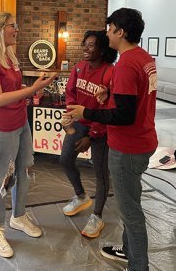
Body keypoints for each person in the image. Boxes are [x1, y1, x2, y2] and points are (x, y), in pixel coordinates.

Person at [63, 8, 158, 271]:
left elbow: (124, 115)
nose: (107, 33)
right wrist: (111, 93)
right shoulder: (143, 58)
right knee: (131, 201)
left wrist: (87, 112)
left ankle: (138, 266)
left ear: (121, 32)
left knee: (131, 212)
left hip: (128, 145)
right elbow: (134, 101)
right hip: (143, 140)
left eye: (110, 28)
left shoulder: (126, 64)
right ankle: (128, 251)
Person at [0, 12, 57, 258]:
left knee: (24, 171)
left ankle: (18, 216)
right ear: (1, 29)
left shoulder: (9, 56)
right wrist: (32, 89)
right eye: (14, 26)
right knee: (0, 179)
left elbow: (11, 89)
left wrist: (32, 89)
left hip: (20, 123)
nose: (17, 30)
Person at [60, 30, 117, 238]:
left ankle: (97, 216)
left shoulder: (110, 73)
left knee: (101, 173)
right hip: (81, 123)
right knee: (66, 160)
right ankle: (81, 196)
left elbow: (109, 110)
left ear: (102, 49)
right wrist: (71, 112)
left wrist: (92, 136)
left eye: (91, 45)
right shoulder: (79, 67)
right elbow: (70, 92)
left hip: (100, 128)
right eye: (84, 44)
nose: (85, 48)